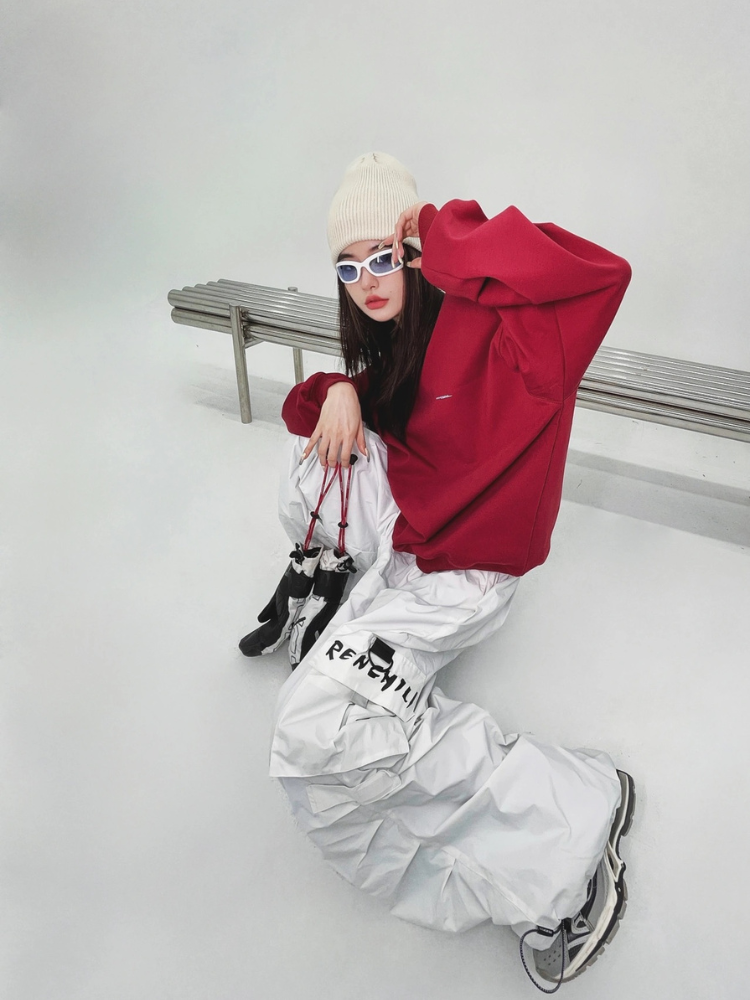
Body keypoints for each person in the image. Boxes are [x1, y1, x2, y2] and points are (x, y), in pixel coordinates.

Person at [239, 152, 634, 990]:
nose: (367, 282)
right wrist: (339, 391)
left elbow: (600, 277)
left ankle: (571, 820)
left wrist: (443, 233)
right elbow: (321, 409)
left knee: (315, 732)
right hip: (409, 542)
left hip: (465, 571)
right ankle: (330, 586)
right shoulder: (402, 345)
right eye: (348, 267)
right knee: (312, 457)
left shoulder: (505, 332)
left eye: (384, 256)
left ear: (416, 252)